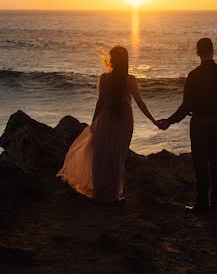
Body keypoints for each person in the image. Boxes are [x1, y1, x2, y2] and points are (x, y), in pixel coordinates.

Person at [58, 45, 160, 202]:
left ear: (112, 60)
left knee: (101, 155)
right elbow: (140, 103)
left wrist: (94, 121)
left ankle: (100, 193)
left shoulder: (105, 78)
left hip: (106, 118)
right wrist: (153, 120)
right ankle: (113, 195)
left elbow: (101, 102)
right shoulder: (130, 80)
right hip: (124, 119)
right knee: (117, 156)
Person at [157, 38, 217, 212]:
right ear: (213, 51)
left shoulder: (194, 75)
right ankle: (216, 203)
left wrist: (169, 122)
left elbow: (186, 106)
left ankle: (202, 203)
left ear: (197, 52)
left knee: (200, 162)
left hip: (199, 122)